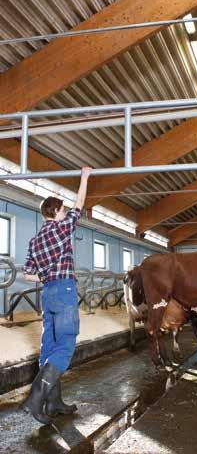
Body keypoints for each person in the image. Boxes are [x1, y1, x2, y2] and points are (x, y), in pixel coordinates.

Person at [22, 166, 92, 424]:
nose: (66, 213)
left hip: (48, 292)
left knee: (48, 348)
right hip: (63, 290)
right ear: (56, 213)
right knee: (65, 346)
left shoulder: (35, 240)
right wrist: (84, 177)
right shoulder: (61, 229)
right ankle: (35, 399)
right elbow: (80, 204)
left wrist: (43, 276)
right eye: (63, 210)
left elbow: (27, 275)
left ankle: (53, 402)